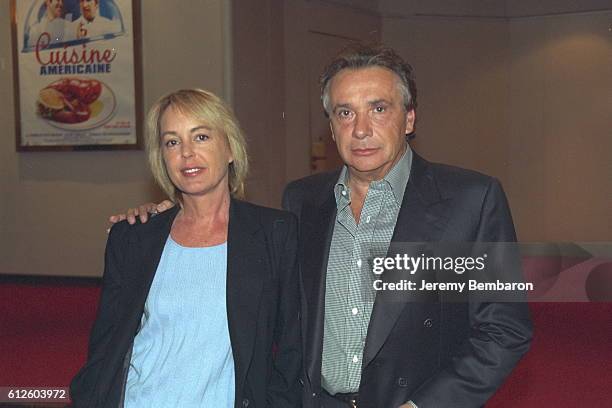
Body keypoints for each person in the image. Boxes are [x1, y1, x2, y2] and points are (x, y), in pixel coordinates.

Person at [112, 44, 533, 408]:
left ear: (409, 119)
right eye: (345, 112)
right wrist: (167, 213)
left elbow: (503, 330)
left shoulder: (469, 201)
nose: (361, 129)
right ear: (330, 127)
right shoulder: (301, 202)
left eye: (379, 109)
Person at [71, 89, 302, 407]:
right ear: (162, 157)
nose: (187, 154)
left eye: (202, 137)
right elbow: (106, 345)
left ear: (231, 148)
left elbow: (294, 348)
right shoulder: (134, 237)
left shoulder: (275, 234)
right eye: (172, 142)